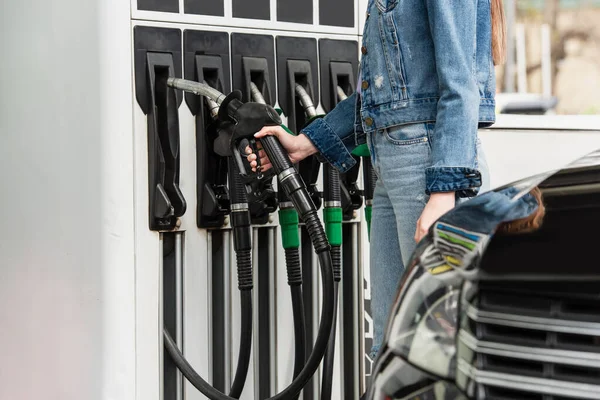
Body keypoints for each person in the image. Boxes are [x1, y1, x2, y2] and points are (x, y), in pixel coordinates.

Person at [247, 0, 506, 358]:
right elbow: (379, 101)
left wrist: (444, 192)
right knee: (392, 346)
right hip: (393, 167)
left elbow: (461, 85)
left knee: (441, 344)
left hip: (432, 167)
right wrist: (304, 144)